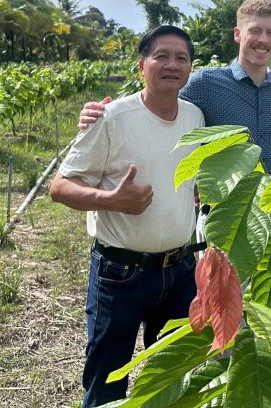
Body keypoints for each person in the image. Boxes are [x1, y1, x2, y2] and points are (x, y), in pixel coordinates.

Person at [50, 25, 205, 408]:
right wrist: (111, 200)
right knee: (107, 378)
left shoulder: (195, 117)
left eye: (181, 58)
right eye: (161, 56)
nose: (172, 65)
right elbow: (60, 186)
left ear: (190, 67)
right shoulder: (112, 117)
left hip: (180, 270)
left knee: (171, 379)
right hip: (121, 274)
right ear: (142, 65)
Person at [79, 0, 271, 177]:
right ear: (237, 34)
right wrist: (106, 114)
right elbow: (158, 106)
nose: (263, 39)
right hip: (218, 204)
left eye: (270, 33)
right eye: (255, 31)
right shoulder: (206, 83)